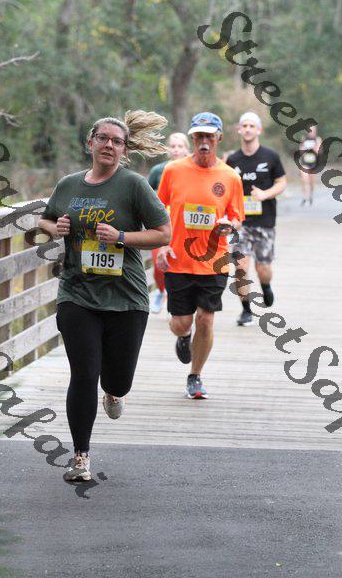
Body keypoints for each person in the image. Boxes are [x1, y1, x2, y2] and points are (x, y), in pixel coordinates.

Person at [38, 111, 171, 481]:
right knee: (83, 374)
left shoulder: (133, 185)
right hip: (77, 292)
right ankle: (80, 457)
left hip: (126, 297)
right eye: (103, 138)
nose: (109, 145)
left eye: (117, 141)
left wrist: (122, 237)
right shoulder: (68, 185)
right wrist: (55, 227)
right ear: (90, 143)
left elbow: (164, 233)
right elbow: (45, 220)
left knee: (117, 379)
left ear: (124, 150)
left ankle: (114, 392)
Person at [157, 112, 244, 399]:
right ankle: (183, 337)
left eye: (209, 136)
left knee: (206, 319)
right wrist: (162, 245)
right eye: (198, 136)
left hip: (214, 260)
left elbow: (237, 216)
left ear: (219, 138)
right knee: (181, 323)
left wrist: (230, 225)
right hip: (179, 259)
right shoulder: (173, 170)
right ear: (192, 138)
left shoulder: (230, 176)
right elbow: (157, 210)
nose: (203, 142)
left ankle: (195, 375)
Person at [226, 112, 287, 327]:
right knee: (240, 267)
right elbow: (226, 188)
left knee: (263, 268)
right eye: (244, 125)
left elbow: (282, 182)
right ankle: (246, 310)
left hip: (265, 221)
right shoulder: (233, 160)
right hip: (241, 223)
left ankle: (266, 285)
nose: (248, 129)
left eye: (252, 125)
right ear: (239, 130)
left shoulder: (270, 156)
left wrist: (265, 194)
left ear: (259, 130)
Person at [147, 133, 190, 313]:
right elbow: (146, 194)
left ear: (187, 149)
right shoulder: (158, 170)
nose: (176, 150)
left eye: (180, 146)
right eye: (173, 146)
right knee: (158, 265)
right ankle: (160, 290)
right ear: (167, 149)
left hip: (184, 226)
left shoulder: (192, 170)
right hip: (161, 224)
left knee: (180, 264)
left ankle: (178, 300)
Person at [299, 125, 321, 206]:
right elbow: (300, 151)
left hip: (313, 163)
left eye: (313, 130)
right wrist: (304, 148)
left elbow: (318, 151)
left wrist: (313, 147)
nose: (311, 132)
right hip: (304, 162)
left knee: (311, 182)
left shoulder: (317, 139)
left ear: (315, 131)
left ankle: (311, 195)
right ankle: (305, 197)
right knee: (304, 180)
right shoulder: (304, 139)